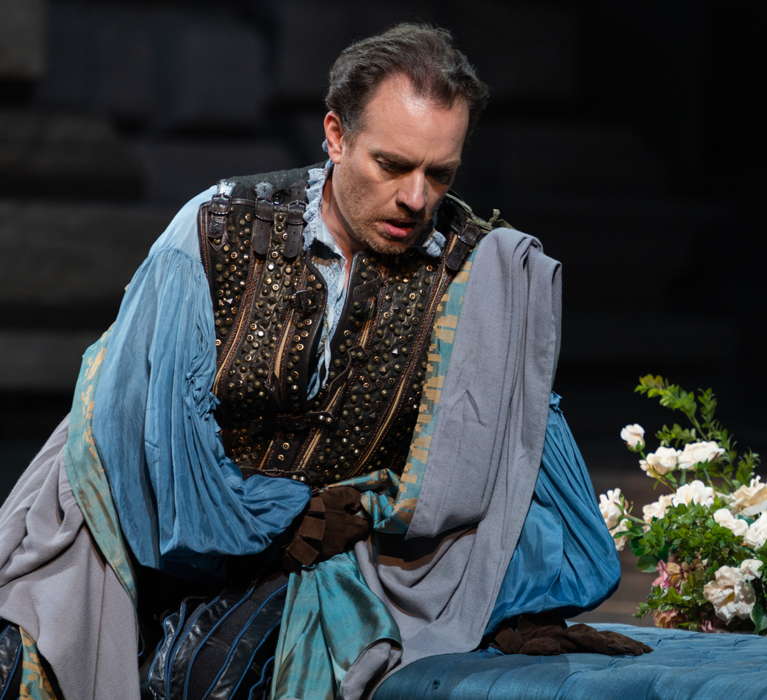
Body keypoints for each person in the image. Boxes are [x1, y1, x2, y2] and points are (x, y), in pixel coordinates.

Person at [0, 22, 647, 700]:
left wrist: (519, 594)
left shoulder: (477, 274)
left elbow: (521, 462)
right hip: (139, 523)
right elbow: (149, 451)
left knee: (215, 670)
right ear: (335, 136)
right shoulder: (218, 230)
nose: (417, 199)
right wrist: (281, 518)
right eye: (393, 165)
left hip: (325, 558)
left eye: (440, 173)